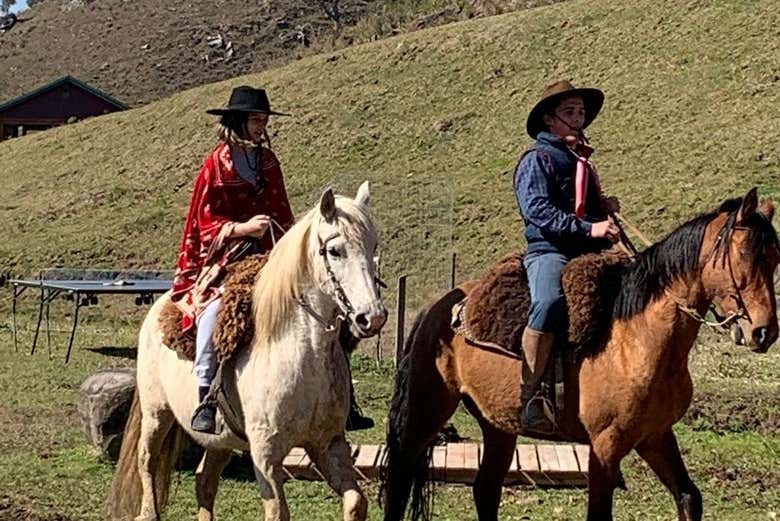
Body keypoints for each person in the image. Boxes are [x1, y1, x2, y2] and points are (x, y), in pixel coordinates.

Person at [171, 86, 373, 433]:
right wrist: (242, 228)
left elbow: (282, 210)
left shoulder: (268, 161)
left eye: (264, 119)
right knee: (218, 313)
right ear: (238, 121)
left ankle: (342, 397)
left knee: (329, 306)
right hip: (228, 257)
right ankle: (206, 395)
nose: (262, 126)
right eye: (255, 119)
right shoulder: (215, 166)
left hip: (271, 252)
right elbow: (204, 222)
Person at [513, 80, 620, 433]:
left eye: (581, 113)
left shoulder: (583, 163)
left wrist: (601, 209)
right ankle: (530, 396)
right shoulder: (536, 159)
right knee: (549, 301)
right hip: (549, 250)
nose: (579, 119)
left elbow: (581, 210)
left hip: (587, 250)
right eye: (570, 112)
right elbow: (538, 211)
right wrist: (591, 229)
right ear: (549, 120)